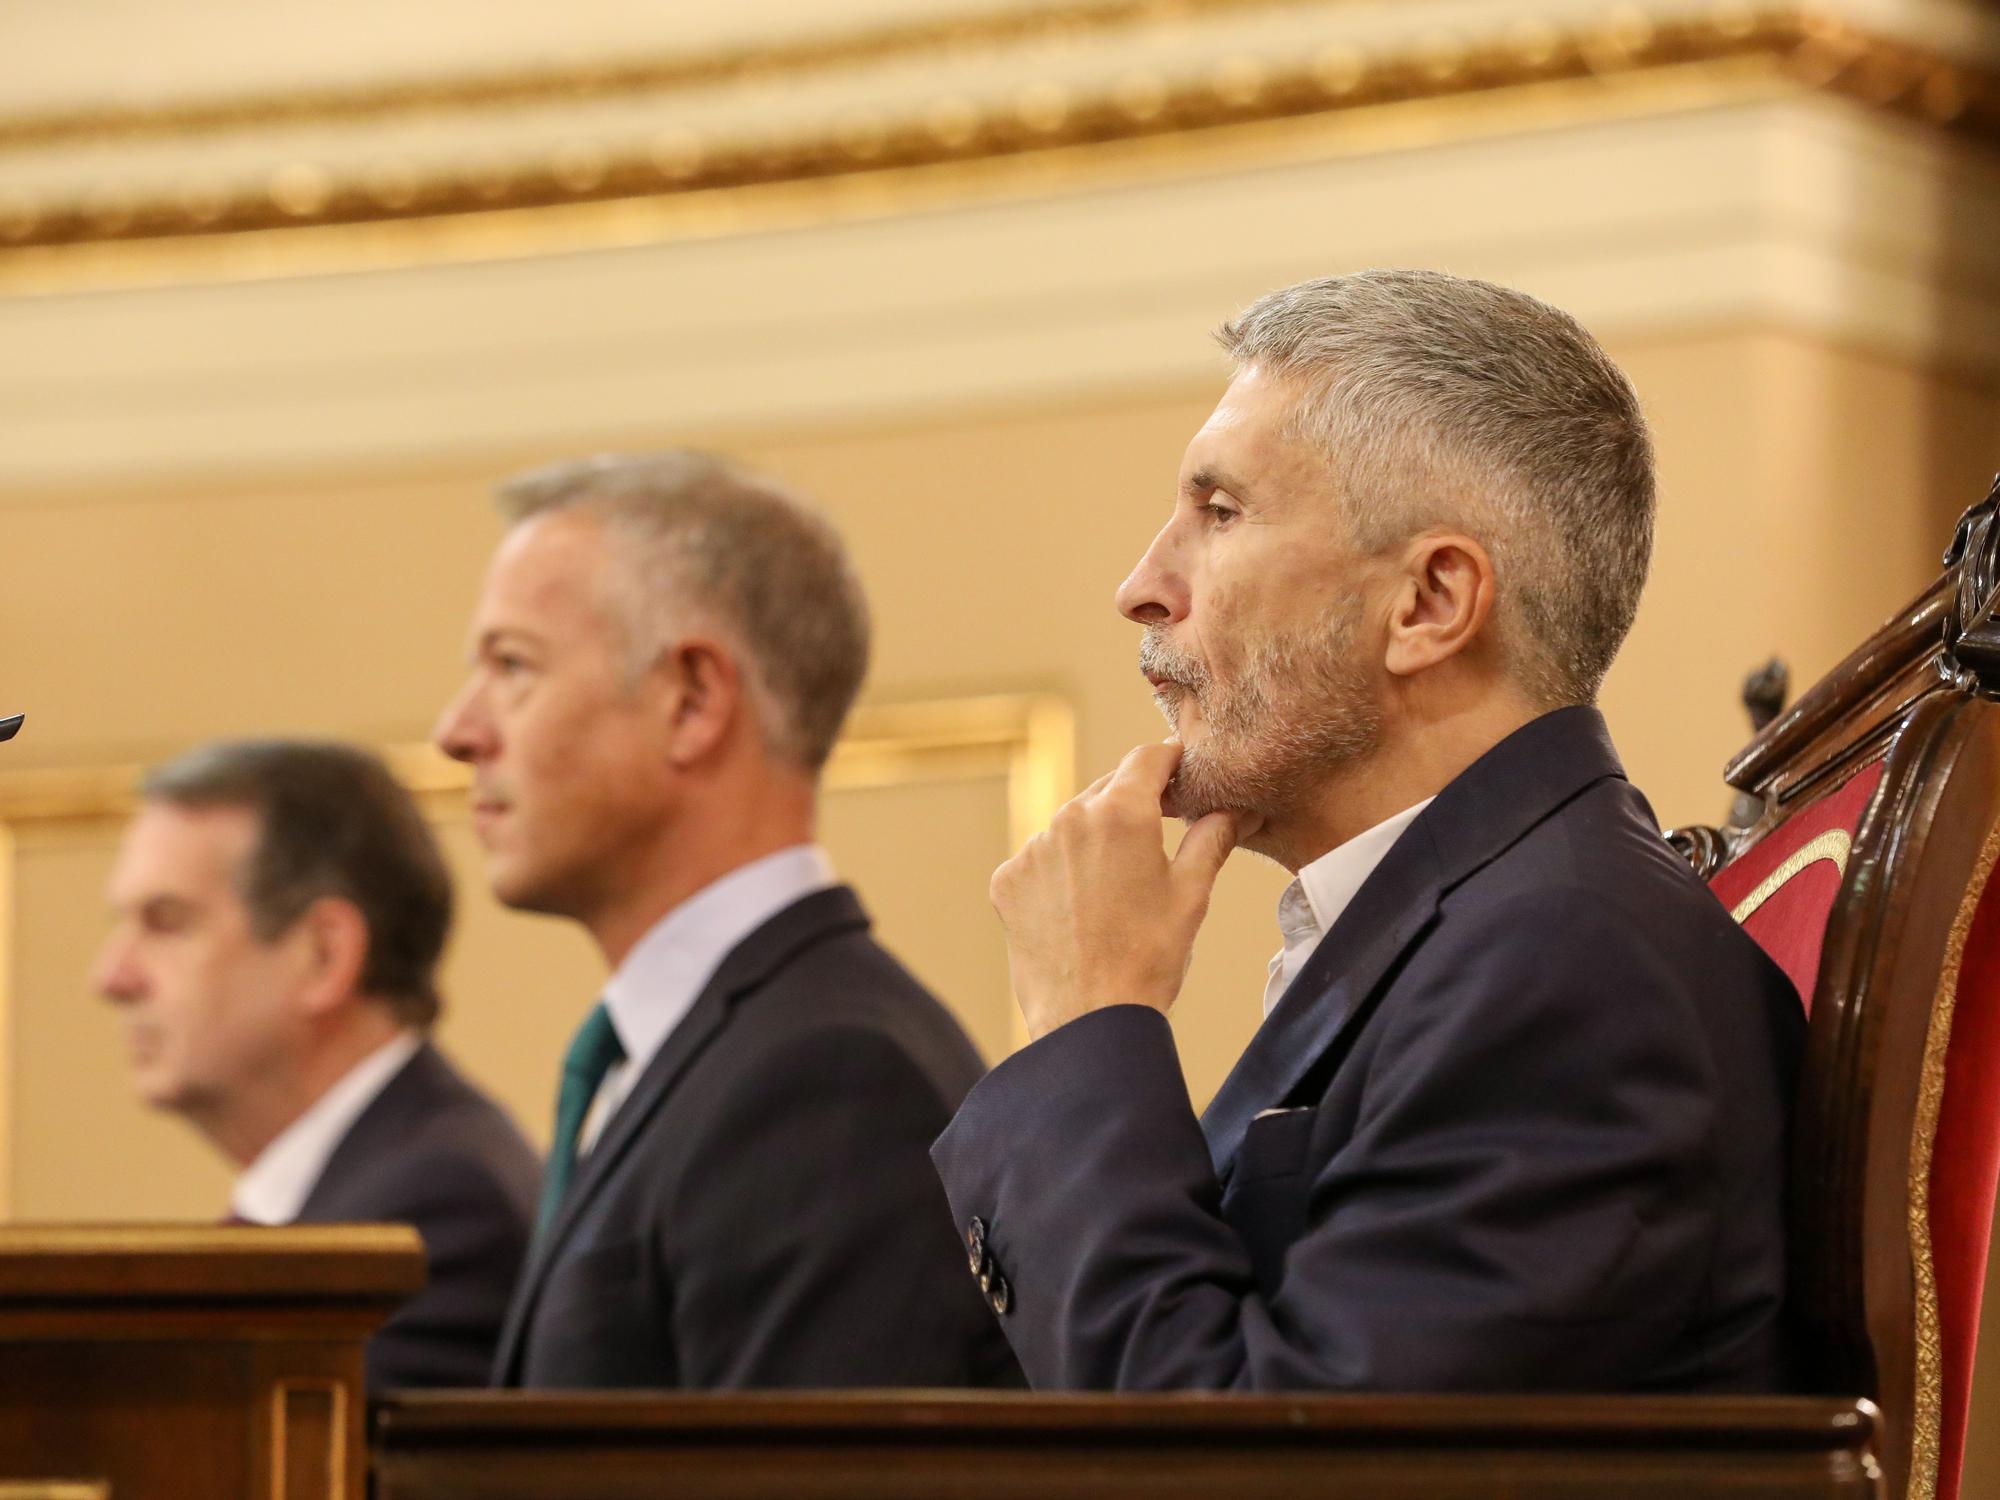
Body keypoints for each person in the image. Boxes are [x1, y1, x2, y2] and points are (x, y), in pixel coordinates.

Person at [931, 269, 1804, 1392]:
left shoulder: (1566, 967)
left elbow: (1238, 1478)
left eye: (1219, 512)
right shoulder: (1491, 931)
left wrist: (1088, 1021)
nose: (1140, 586)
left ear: (1430, 603)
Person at [434, 450, 1016, 1389]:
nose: (458, 732)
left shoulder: (826, 1081)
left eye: (512, 665)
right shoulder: (726, 1049)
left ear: (693, 701)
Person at [94, 740, 540, 1390]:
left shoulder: (434, 1212)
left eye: (166, 922)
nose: (112, 977)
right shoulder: (367, 1188)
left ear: (324, 956)